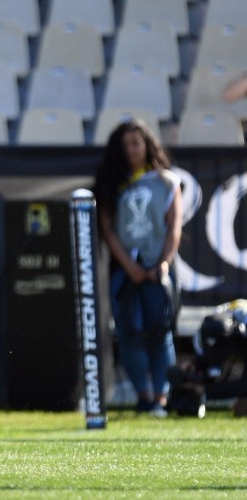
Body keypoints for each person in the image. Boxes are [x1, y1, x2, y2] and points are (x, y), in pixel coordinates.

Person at [93, 119, 183, 418]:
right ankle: (142, 397)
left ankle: (161, 396)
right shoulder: (112, 183)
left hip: (159, 269)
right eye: (126, 145)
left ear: (147, 145)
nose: (131, 149)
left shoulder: (167, 181)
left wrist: (163, 263)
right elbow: (107, 229)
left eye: (136, 142)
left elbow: (174, 227)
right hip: (125, 270)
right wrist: (129, 266)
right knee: (129, 332)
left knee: (161, 332)